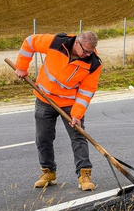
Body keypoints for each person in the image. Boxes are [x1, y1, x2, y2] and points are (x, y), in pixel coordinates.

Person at [15, 31, 101, 191]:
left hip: (69, 104)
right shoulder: (56, 42)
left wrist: (76, 115)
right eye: (86, 51)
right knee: (43, 138)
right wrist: (21, 67)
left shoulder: (93, 64)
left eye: (91, 51)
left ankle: (84, 174)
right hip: (44, 98)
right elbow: (29, 42)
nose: (88, 54)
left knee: (78, 137)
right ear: (77, 43)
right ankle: (48, 173)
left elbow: (86, 92)